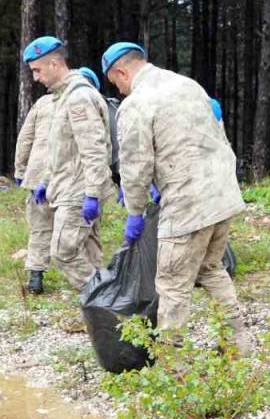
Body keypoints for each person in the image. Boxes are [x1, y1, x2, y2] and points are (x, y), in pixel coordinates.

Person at [102, 42, 250, 354]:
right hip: (222, 195)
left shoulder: (137, 104)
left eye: (116, 83)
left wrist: (135, 211)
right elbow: (210, 136)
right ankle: (239, 342)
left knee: (171, 283)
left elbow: (135, 165)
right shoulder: (187, 85)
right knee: (210, 267)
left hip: (188, 204)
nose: (119, 90)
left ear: (121, 72)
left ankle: (172, 362)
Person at [25, 36, 116, 289]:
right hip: (67, 184)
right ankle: (104, 316)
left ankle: (108, 301)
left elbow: (94, 150)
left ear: (55, 63)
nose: (35, 78)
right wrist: (45, 181)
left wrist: (93, 194)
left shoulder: (78, 97)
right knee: (90, 252)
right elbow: (62, 151)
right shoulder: (62, 97)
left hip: (78, 190)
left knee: (63, 251)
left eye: (37, 70)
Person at [14, 86, 55, 295]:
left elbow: (25, 137)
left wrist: (20, 169)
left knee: (40, 226)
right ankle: (88, 279)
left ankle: (36, 277)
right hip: (74, 176)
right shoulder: (91, 100)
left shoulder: (42, 103)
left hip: (39, 172)